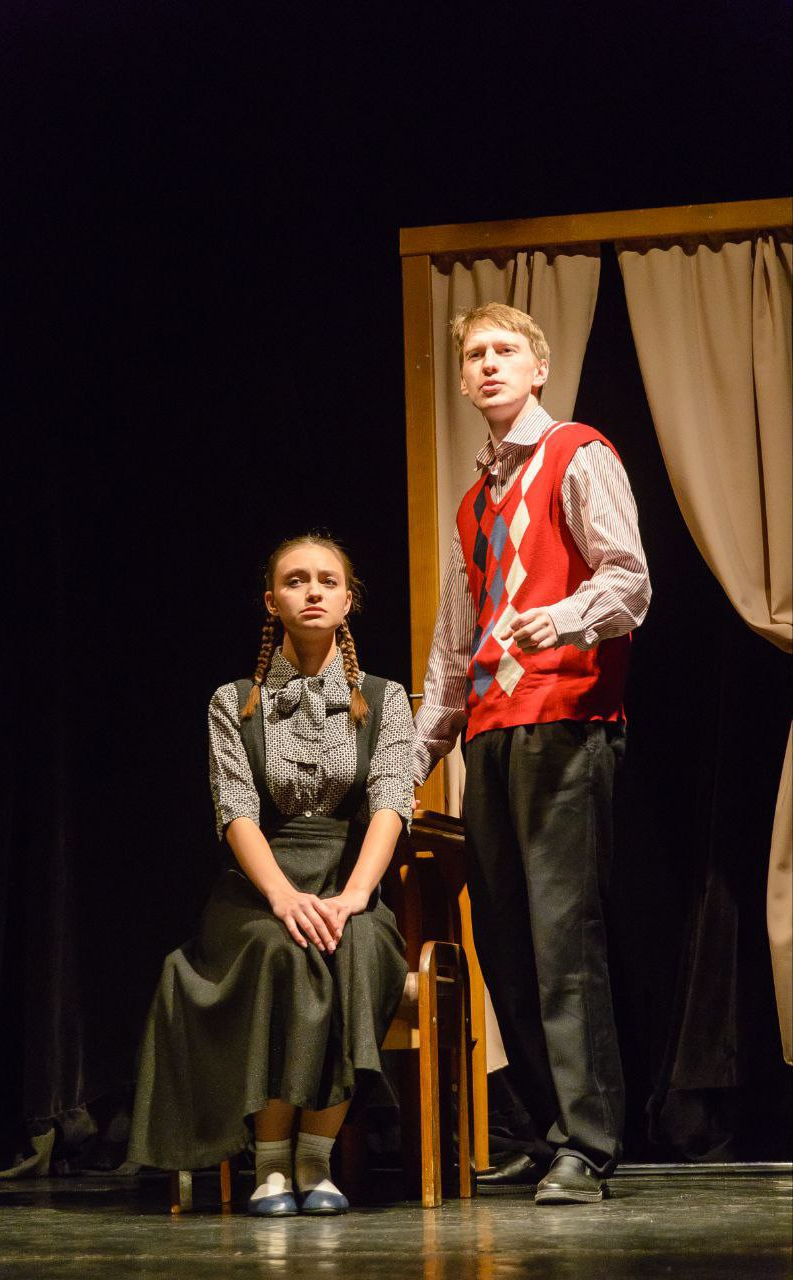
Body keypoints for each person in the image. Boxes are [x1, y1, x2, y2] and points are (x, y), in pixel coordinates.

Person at [413, 303, 651, 1205]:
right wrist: (409, 764)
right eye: (474, 354)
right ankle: (547, 1129)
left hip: (564, 718)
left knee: (561, 934)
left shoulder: (577, 453)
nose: (486, 365)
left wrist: (561, 618)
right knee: (505, 939)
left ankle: (586, 1144)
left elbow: (627, 580)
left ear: (538, 368)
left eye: (503, 351)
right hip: (488, 732)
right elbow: (452, 649)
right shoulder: (473, 500)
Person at [129, 535, 413, 1216]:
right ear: (271, 601)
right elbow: (235, 811)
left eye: (327, 581)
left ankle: (315, 1157)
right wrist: (283, 896)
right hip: (256, 889)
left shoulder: (384, 698)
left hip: (346, 877)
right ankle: (270, 1162)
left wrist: (353, 896)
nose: (312, 591)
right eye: (295, 580)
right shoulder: (233, 701)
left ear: (348, 601)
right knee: (278, 948)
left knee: (359, 945)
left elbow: (391, 802)